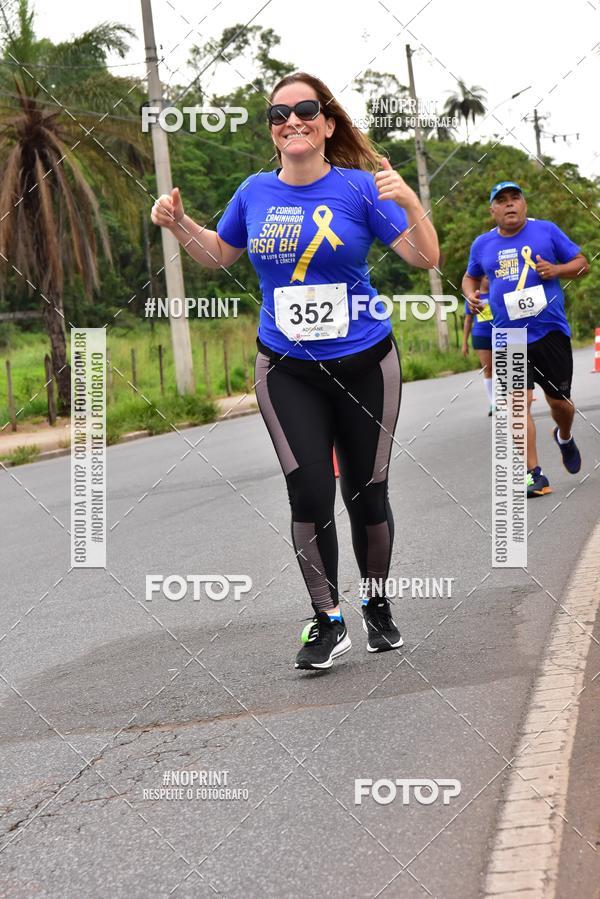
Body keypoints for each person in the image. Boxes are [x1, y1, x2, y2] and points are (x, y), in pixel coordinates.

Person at [151, 71, 439, 670]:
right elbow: (219, 254)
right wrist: (178, 224)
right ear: (273, 132)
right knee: (308, 488)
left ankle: (377, 604)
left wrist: (409, 200)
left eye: (305, 110)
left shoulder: (360, 190)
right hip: (286, 367)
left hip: (366, 363)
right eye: (278, 115)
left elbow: (423, 256)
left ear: (328, 124)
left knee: (367, 491)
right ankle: (326, 619)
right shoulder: (254, 190)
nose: (291, 121)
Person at [462, 181, 589, 498]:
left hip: (549, 332)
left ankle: (563, 434)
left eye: (514, 198)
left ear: (524, 204)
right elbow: (470, 275)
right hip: (508, 337)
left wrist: (557, 269)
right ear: (492, 210)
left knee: (560, 403)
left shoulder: (546, 231)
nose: (509, 205)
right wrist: (470, 294)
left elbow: (582, 263)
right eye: (501, 201)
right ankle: (535, 474)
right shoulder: (482, 245)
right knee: (517, 406)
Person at [461, 275, 494, 415]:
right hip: (481, 335)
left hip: (502, 333)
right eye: (485, 277)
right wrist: (464, 343)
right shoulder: (474, 297)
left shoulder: (498, 292)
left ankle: (508, 399)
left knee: (504, 367)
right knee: (488, 369)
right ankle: (493, 403)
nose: (488, 279)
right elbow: (468, 321)